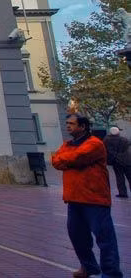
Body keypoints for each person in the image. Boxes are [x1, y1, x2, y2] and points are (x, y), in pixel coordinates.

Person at [52, 114, 122, 278]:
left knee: (104, 238)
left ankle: (111, 272)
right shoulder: (67, 144)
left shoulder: (94, 144)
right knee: (77, 237)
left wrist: (65, 160)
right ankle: (88, 266)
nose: (68, 126)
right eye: (67, 123)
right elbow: (56, 161)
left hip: (94, 198)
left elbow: (78, 157)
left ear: (83, 127)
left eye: (72, 124)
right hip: (73, 197)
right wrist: (66, 160)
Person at [104, 126, 131, 199]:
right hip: (127, 160)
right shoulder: (124, 140)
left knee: (119, 177)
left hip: (116, 161)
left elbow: (107, 149)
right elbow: (128, 145)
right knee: (130, 177)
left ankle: (123, 193)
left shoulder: (107, 140)